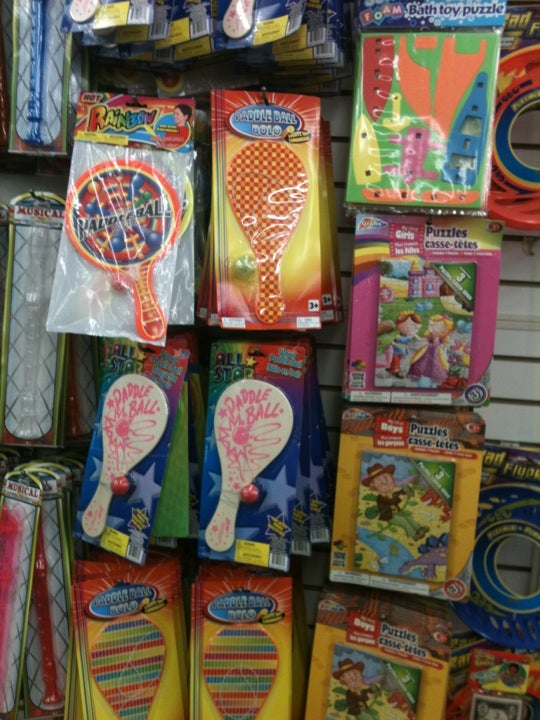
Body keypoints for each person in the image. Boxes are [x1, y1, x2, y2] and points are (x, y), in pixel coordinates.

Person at [361, 463, 429, 541]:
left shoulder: (392, 493)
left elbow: (399, 493)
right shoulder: (381, 498)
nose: (386, 484)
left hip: (397, 513)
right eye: (381, 483)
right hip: (389, 516)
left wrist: (406, 489)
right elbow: (392, 501)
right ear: (374, 487)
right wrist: (402, 497)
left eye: (387, 479)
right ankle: (412, 534)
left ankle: (418, 528)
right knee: (403, 521)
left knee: (408, 517)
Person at [386, 310, 423, 378]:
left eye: (416, 328)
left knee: (397, 360)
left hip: (400, 350)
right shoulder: (400, 335)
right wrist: (409, 337)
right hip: (395, 350)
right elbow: (398, 341)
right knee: (396, 361)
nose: (412, 329)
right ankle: (395, 371)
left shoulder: (408, 334)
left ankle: (391, 367)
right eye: (409, 326)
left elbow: (418, 338)